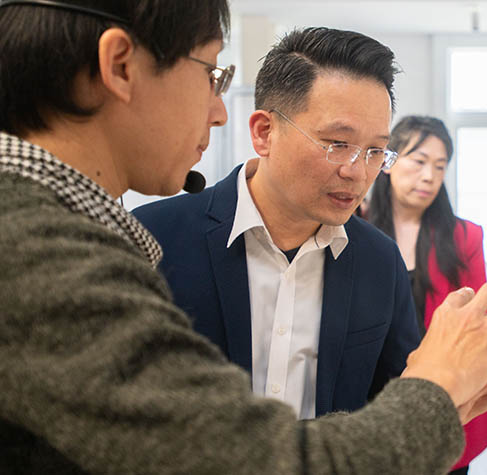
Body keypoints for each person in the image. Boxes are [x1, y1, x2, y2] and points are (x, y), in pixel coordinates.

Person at [0, 0, 487, 473]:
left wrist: (437, 402)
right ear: (120, 65)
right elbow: (250, 460)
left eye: (376, 151)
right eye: (211, 73)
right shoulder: (38, 248)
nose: (218, 111)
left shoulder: (375, 259)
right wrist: (436, 392)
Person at [134, 28, 420, 420]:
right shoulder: (152, 240)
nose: (357, 172)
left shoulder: (379, 261)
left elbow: (393, 405)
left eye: (374, 151)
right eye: (338, 144)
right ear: (264, 132)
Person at [369, 115, 487, 474]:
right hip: (373, 399)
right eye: (419, 161)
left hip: (446, 397)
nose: (429, 176)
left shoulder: (464, 237)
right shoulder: (356, 228)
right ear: (388, 161)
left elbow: (479, 317)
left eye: (440, 166)